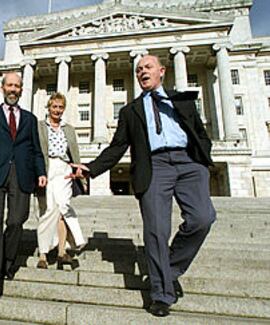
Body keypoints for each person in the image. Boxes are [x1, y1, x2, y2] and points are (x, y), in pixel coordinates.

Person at [70, 55, 216, 317]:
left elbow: (199, 132)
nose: (142, 72)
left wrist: (203, 156)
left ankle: (168, 270)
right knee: (157, 231)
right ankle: (161, 293)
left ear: (161, 71)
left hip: (189, 163)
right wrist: (90, 168)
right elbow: (117, 147)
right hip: (155, 166)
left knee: (203, 218)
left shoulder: (181, 99)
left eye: (147, 67)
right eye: (138, 70)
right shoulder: (130, 111)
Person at [0, 72, 47, 299]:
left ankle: (7, 260)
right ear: (3, 88)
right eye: (10, 85)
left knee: (17, 220)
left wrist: (41, 172)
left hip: (22, 174)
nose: (13, 89)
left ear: (21, 90)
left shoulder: (30, 119)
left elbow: (35, 149)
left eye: (17, 86)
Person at [36, 92, 86, 270]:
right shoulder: (39, 126)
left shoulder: (69, 128)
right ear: (48, 108)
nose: (57, 110)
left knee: (64, 206)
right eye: (54, 106)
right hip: (47, 168)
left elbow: (74, 150)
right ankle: (43, 253)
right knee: (48, 210)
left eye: (60, 107)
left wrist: (78, 168)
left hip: (64, 168)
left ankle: (62, 251)